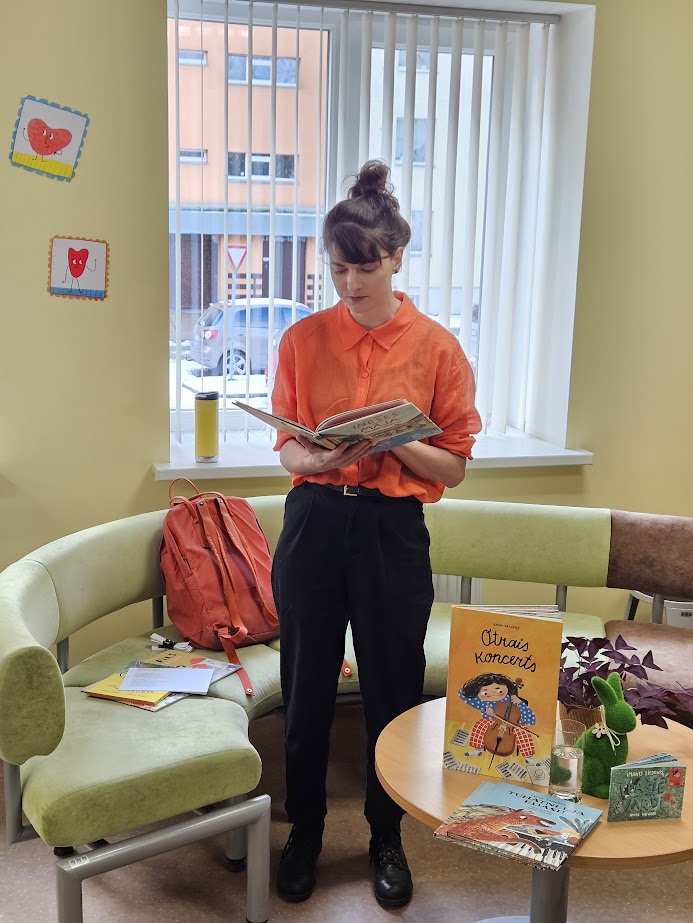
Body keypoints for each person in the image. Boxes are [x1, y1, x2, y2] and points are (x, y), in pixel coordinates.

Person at [270, 160, 482, 908]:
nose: (350, 283)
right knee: (305, 687)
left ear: (396, 257)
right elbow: (287, 447)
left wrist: (398, 439)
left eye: (364, 268)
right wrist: (311, 457)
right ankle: (304, 831)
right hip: (314, 522)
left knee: (392, 686)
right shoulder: (301, 340)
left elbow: (454, 467)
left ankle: (386, 836)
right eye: (337, 269)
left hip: (393, 530)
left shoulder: (437, 349)